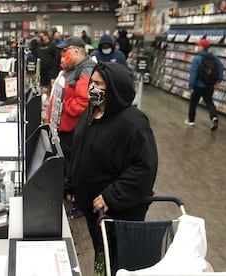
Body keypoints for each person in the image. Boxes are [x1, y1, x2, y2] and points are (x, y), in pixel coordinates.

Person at [64, 62, 158, 273]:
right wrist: (71, 184)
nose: (91, 88)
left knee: (118, 262)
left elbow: (144, 168)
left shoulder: (133, 123)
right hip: (93, 210)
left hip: (119, 212)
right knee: (102, 254)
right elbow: (78, 151)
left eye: (98, 83)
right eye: (91, 82)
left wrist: (111, 196)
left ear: (114, 88)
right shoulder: (91, 112)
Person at [46, 37, 96, 176]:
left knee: (70, 166)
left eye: (65, 50)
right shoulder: (71, 68)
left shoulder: (86, 70)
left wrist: (62, 104)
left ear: (76, 51)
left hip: (72, 132)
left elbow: (82, 103)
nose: (62, 55)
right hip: (63, 129)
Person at [186, 38, 223, 131]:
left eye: (198, 45)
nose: (197, 47)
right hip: (210, 85)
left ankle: (191, 120)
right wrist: (218, 81)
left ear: (202, 47)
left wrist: (191, 85)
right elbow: (221, 69)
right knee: (209, 101)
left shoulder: (196, 58)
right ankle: (214, 116)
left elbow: (193, 72)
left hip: (198, 85)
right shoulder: (215, 58)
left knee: (193, 103)